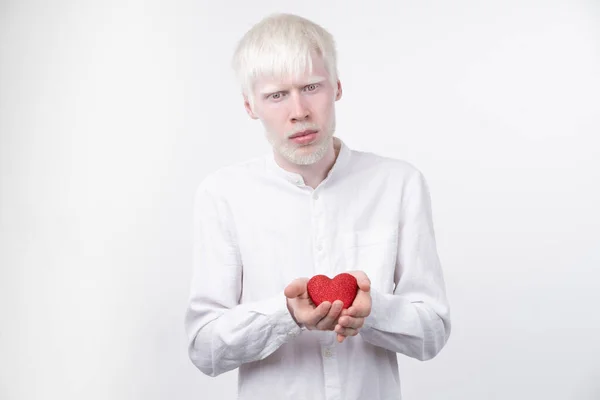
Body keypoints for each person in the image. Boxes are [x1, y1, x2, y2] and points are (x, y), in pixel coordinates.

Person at [184, 13, 451, 400]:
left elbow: (432, 333)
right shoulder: (222, 195)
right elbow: (204, 348)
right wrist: (286, 315)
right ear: (249, 106)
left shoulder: (399, 184)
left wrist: (373, 311)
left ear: (337, 87)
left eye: (311, 87)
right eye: (276, 95)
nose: (299, 111)